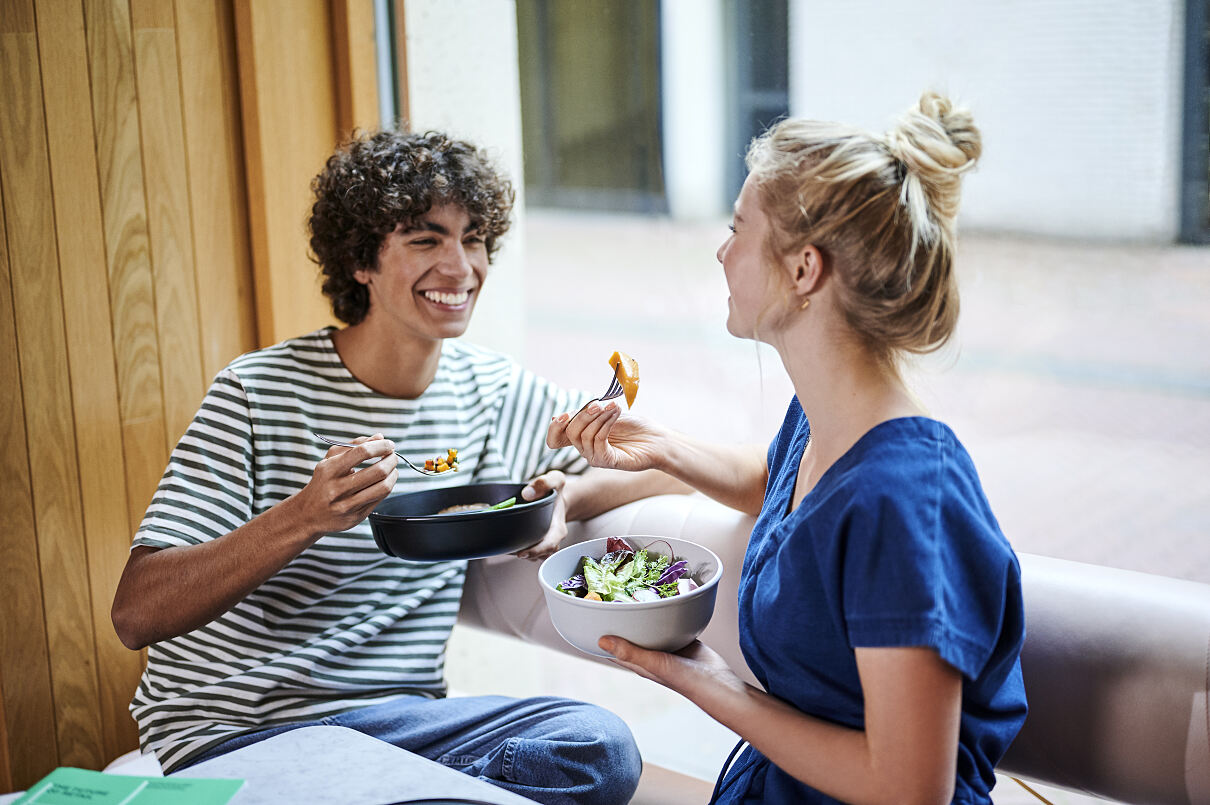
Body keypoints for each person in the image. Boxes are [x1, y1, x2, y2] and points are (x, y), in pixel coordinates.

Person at [111, 129, 685, 805]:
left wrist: (571, 492)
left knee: (599, 744)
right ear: (361, 261)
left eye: (473, 239)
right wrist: (302, 517)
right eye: (425, 239)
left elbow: (667, 462)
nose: (460, 266)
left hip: (400, 726)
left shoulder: (492, 391)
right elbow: (136, 611)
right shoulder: (256, 391)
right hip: (239, 732)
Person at [546, 92, 1028, 804]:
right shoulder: (827, 420)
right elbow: (777, 483)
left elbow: (909, 790)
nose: (722, 249)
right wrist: (658, 447)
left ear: (805, 270)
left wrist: (710, 684)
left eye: (739, 228)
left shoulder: (905, 503)